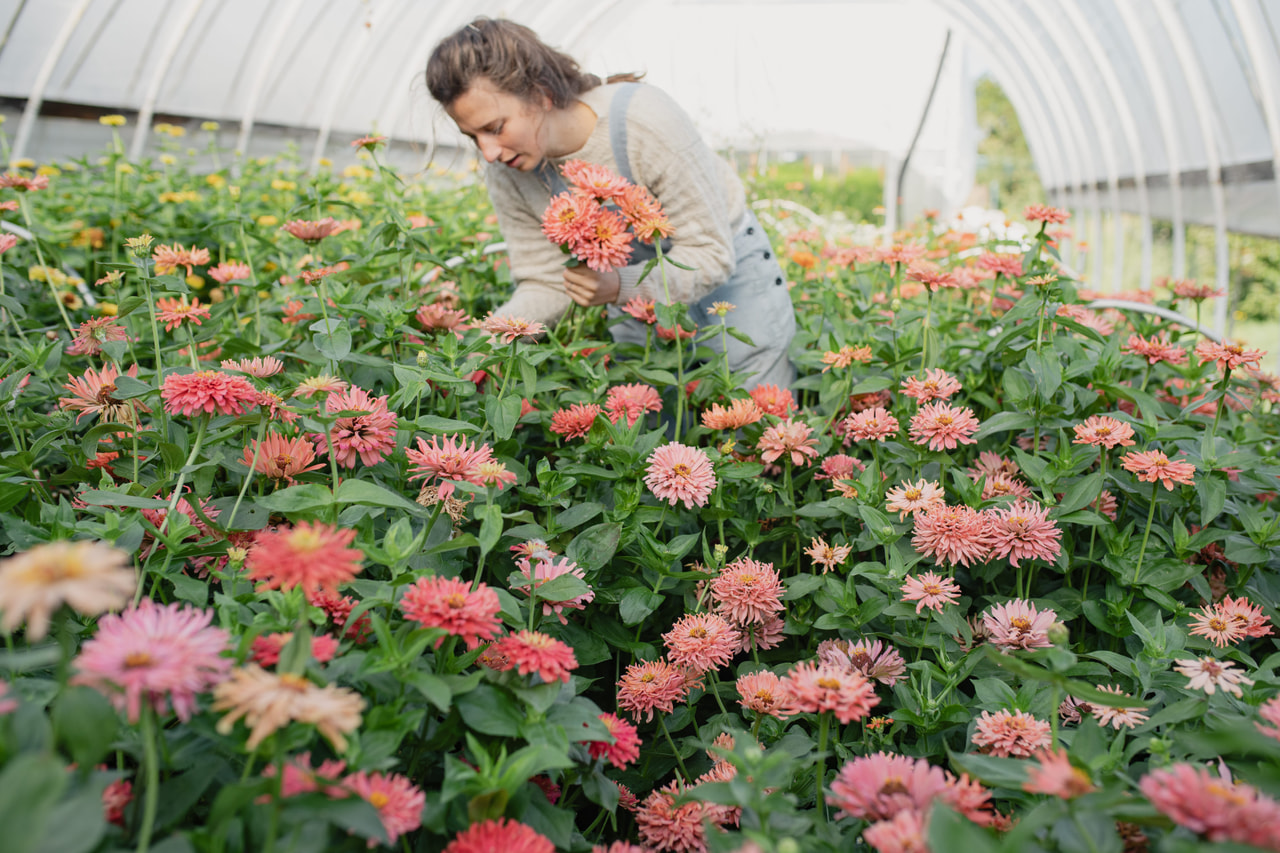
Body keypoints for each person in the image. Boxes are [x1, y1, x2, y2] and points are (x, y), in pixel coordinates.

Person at [425, 17, 796, 389]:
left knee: (756, 411)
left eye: (494, 127)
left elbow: (711, 254)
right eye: (472, 136)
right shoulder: (506, 168)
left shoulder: (643, 121)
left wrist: (621, 284)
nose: (487, 152)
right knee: (647, 425)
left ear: (540, 93)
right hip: (625, 288)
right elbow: (547, 280)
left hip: (727, 277)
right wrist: (483, 343)